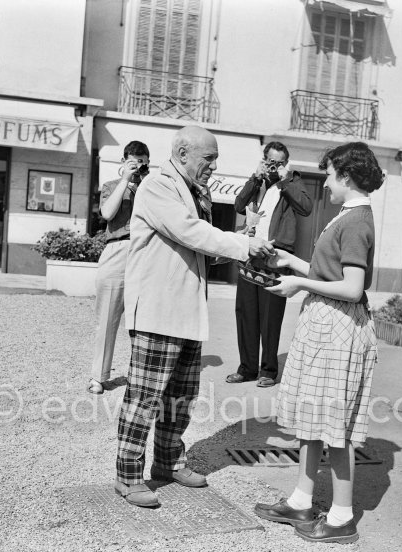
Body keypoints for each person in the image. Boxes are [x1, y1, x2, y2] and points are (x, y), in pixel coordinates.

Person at [115, 125, 275, 508]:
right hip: (157, 311)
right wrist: (242, 243)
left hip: (185, 311)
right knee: (146, 397)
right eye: (209, 158)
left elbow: (199, 246)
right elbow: (189, 231)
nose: (213, 166)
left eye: (215, 159)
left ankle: (168, 462)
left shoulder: (191, 190)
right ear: (183, 153)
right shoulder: (158, 186)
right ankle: (127, 475)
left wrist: (241, 243)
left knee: (181, 397)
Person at [253, 142, 384, 544]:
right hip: (326, 322)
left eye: (329, 175)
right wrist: (292, 265)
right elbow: (331, 274)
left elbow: (352, 287)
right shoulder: (346, 215)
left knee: (334, 426)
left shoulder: (357, 220)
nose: (325, 183)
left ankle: (342, 518)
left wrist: (298, 284)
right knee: (314, 420)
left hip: (339, 327)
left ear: (346, 176)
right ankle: (301, 500)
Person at [226, 142, 312, 388]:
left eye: (280, 163)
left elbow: (306, 208)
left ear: (287, 163)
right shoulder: (259, 181)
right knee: (246, 315)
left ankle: (268, 370)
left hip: (276, 258)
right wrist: (255, 177)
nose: (274, 167)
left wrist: (285, 181)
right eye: (270, 162)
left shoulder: (292, 182)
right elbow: (238, 205)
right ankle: (247, 368)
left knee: (270, 319)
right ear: (264, 160)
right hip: (251, 255)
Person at [87, 141, 150, 395]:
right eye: (133, 161)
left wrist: (145, 182)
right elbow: (107, 213)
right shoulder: (112, 186)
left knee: (146, 320)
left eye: (142, 161)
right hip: (117, 249)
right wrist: (125, 179)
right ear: (124, 162)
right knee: (107, 318)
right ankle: (98, 377)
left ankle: (142, 376)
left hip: (146, 252)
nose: (138, 166)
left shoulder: (151, 187)